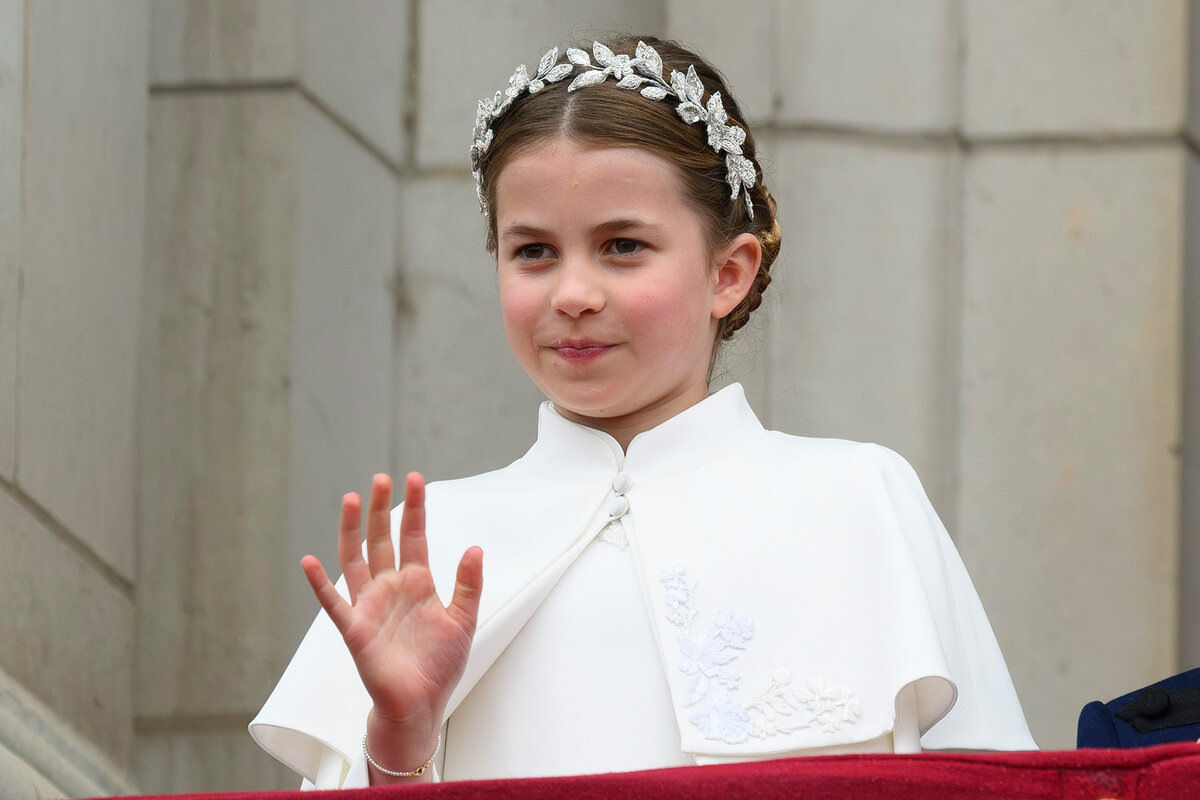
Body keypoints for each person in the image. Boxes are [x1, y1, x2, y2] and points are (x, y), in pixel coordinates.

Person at [250, 35, 1037, 789]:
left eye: (622, 245)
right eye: (533, 252)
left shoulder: (859, 498)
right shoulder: (433, 549)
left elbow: (1003, 789)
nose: (573, 295)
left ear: (728, 273)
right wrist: (401, 743)